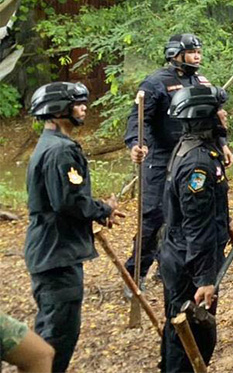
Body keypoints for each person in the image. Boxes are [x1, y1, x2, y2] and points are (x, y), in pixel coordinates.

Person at [24, 82, 126, 372]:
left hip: (53, 250)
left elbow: (68, 200)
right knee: (57, 336)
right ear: (57, 111)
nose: (84, 107)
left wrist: (96, 212)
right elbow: (69, 202)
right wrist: (102, 209)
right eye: (76, 103)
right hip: (56, 254)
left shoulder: (52, 145)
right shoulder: (60, 151)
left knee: (54, 329)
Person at [124, 33, 231, 287]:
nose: (197, 56)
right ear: (175, 54)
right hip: (161, 158)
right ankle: (135, 273)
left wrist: (223, 144)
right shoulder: (155, 83)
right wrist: (137, 144)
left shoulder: (202, 82)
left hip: (192, 154)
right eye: (192, 52)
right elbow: (139, 119)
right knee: (153, 216)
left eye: (199, 52)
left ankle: (171, 264)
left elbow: (214, 116)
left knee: (186, 213)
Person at [157, 85, 233, 372]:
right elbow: (197, 224)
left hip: (182, 253)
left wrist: (226, 222)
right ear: (206, 116)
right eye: (219, 110)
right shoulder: (198, 164)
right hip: (188, 262)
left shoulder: (197, 149)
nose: (224, 114)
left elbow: (201, 208)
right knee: (193, 337)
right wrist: (205, 278)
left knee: (182, 331)